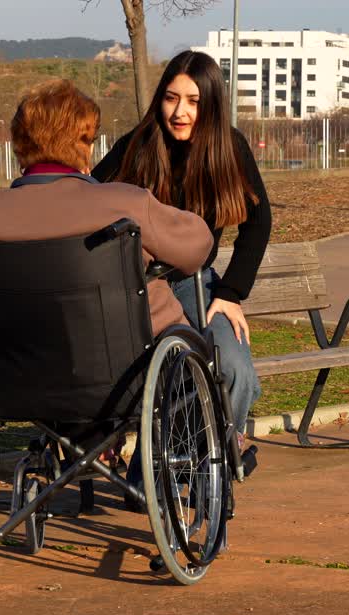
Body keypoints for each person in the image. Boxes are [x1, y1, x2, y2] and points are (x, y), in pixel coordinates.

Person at [0, 79, 212, 336]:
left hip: (16, 362)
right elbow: (197, 246)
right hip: (125, 356)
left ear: (19, 145)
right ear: (84, 146)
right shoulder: (126, 204)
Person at [93, 50, 271, 442]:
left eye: (193, 101)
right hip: (141, 288)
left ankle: (210, 461)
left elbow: (259, 222)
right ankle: (171, 467)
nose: (180, 112)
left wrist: (230, 293)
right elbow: (88, 198)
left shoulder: (230, 148)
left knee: (236, 371)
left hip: (196, 283)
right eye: (172, 98)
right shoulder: (138, 144)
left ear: (211, 105)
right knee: (165, 377)